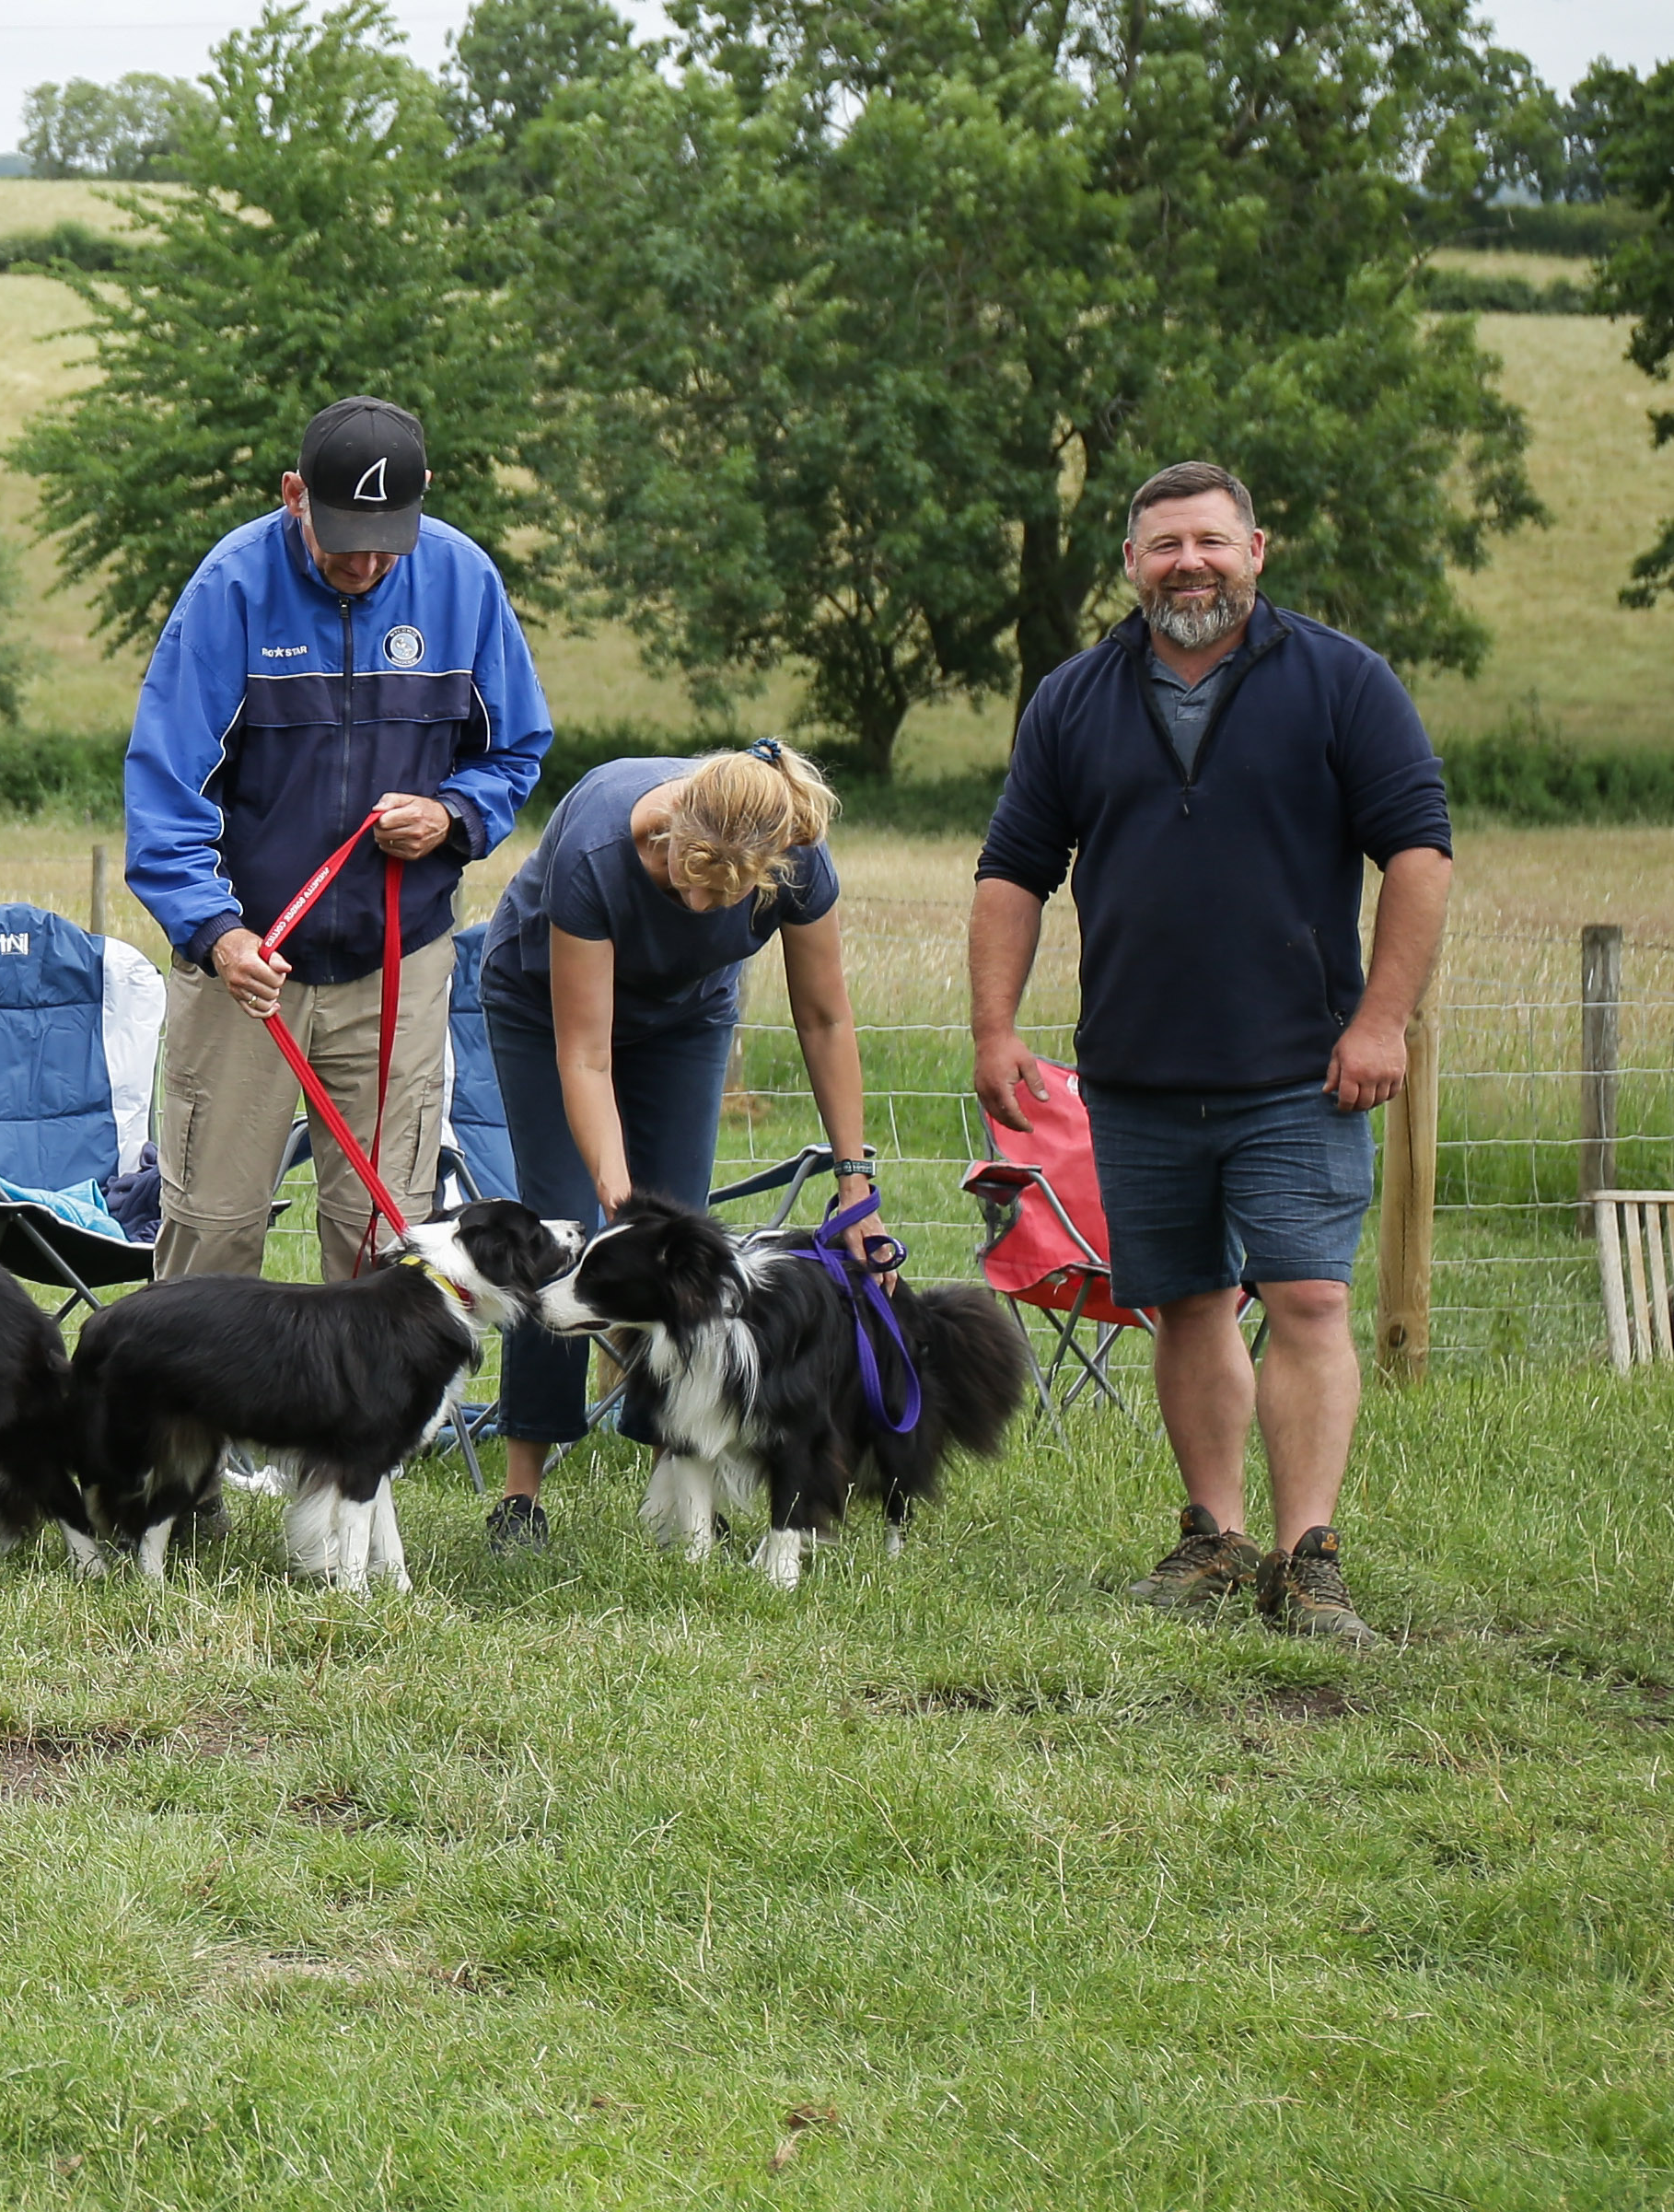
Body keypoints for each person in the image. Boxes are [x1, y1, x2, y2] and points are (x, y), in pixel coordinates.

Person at [972, 461, 1450, 1647]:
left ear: (1256, 548)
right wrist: (993, 1027)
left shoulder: (1343, 682)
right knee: (1182, 1306)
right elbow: (1012, 871)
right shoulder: (1072, 698)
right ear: (1129, 565)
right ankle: (1215, 1537)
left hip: (1303, 1066)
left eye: (1209, 541)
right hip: (1133, 1071)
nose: (1188, 563)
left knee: (1305, 1294)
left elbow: (1420, 853)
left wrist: (1380, 1021)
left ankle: (1310, 1556)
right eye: (1162, 545)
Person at [125, 396, 550, 1282]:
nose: (362, 562)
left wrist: (451, 816)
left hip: (397, 957)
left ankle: (367, 1425)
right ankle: (192, 1425)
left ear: (423, 497)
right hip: (246, 965)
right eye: (341, 536)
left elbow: (513, 748)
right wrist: (216, 933)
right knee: (213, 1225)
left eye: (385, 539)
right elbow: (165, 787)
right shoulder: (229, 588)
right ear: (292, 494)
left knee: (384, 1235)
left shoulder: (464, 581)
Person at [469, 741, 886, 1551]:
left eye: (723, 893)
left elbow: (826, 1021)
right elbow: (584, 1053)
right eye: (684, 879)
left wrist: (854, 1179)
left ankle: (676, 1479)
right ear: (664, 831)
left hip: (686, 1017)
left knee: (681, 1239)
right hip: (543, 1009)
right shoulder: (597, 844)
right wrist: (619, 1199)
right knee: (560, 1225)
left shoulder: (798, 856)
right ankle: (522, 1493)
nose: (698, 904)